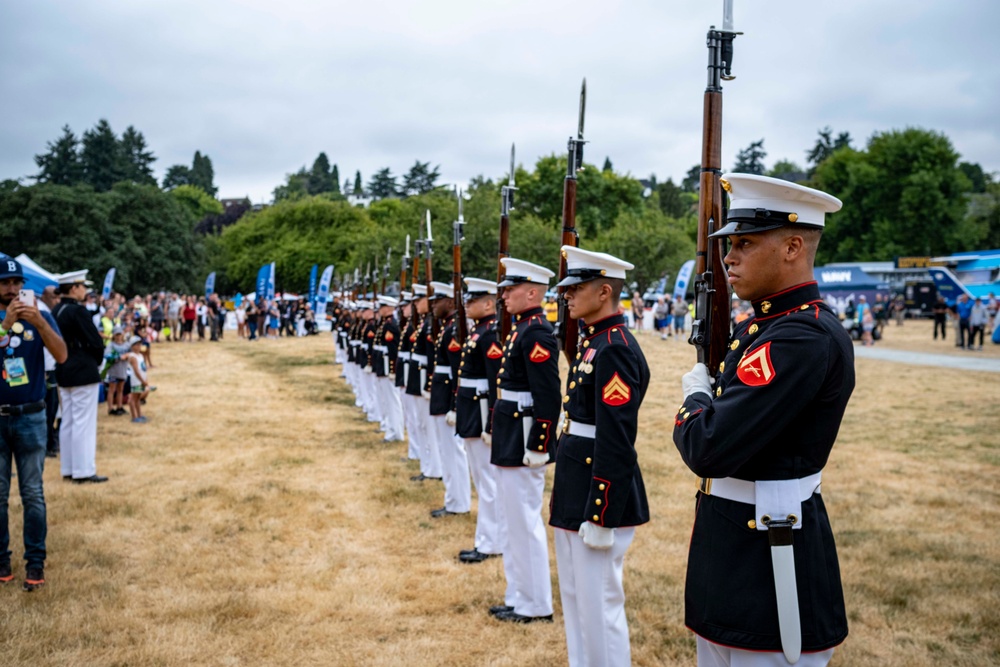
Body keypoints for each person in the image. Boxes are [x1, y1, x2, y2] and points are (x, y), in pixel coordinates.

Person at [673, 174, 855, 666]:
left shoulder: (799, 337)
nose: (729, 256)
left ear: (794, 245)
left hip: (772, 562)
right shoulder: (762, 326)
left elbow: (706, 447)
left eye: (745, 243)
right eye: (729, 244)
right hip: (733, 551)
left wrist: (694, 401)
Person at [550, 246, 650, 666]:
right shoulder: (595, 340)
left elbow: (616, 438)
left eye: (577, 287)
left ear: (604, 291)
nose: (567, 295)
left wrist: (602, 511)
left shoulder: (614, 348)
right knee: (576, 599)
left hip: (598, 491)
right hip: (577, 480)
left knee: (600, 604)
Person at [488, 258, 559, 624]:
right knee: (509, 520)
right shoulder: (522, 329)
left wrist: (539, 445)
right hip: (509, 434)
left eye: (510, 290)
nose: (503, 297)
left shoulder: (536, 333)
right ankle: (518, 596)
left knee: (524, 523)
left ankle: (535, 604)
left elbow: (548, 396)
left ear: (532, 292)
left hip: (522, 440)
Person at [0, 257, 67, 591]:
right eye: (5, 283)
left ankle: (35, 564)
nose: (12, 289)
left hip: (31, 416)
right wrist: (3, 326)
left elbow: (62, 354)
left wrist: (40, 323)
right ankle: (1, 562)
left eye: (17, 283)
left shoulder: (39, 314)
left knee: (32, 494)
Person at [455, 277, 504, 564]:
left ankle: (490, 542)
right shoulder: (479, 332)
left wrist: (490, 424)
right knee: (482, 480)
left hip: (481, 412)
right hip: (471, 410)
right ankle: (487, 538)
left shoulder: (489, 334)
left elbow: (493, 381)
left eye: (473, 301)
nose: (467, 305)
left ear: (489, 303)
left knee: (488, 483)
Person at [53, 270, 109, 484]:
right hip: (82, 368)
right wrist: (96, 359)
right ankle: (83, 469)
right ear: (74, 288)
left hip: (64, 368)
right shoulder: (78, 312)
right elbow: (95, 341)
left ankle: (69, 467)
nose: (85, 290)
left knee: (68, 420)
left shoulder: (57, 309)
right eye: (82, 286)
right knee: (83, 423)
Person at [426, 282, 471, 519]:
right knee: (447, 452)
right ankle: (453, 499)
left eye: (438, 301)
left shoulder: (454, 330)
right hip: (441, 394)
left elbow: (458, 373)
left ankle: (458, 502)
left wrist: (455, 406)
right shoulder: (447, 327)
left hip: (447, 397)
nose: (433, 305)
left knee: (453, 452)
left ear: (451, 303)